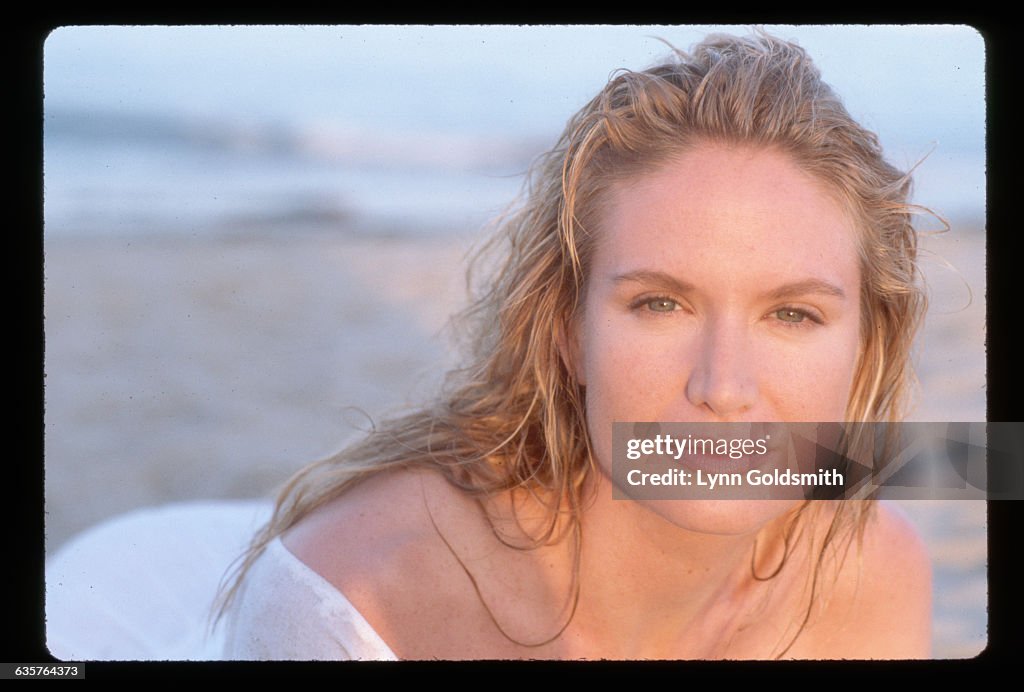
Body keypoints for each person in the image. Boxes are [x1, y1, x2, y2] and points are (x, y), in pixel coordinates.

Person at [215, 30, 933, 660]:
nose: (723, 386)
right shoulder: (359, 598)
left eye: (793, 315)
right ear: (567, 331)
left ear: (868, 345)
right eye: (660, 304)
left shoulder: (878, 570)